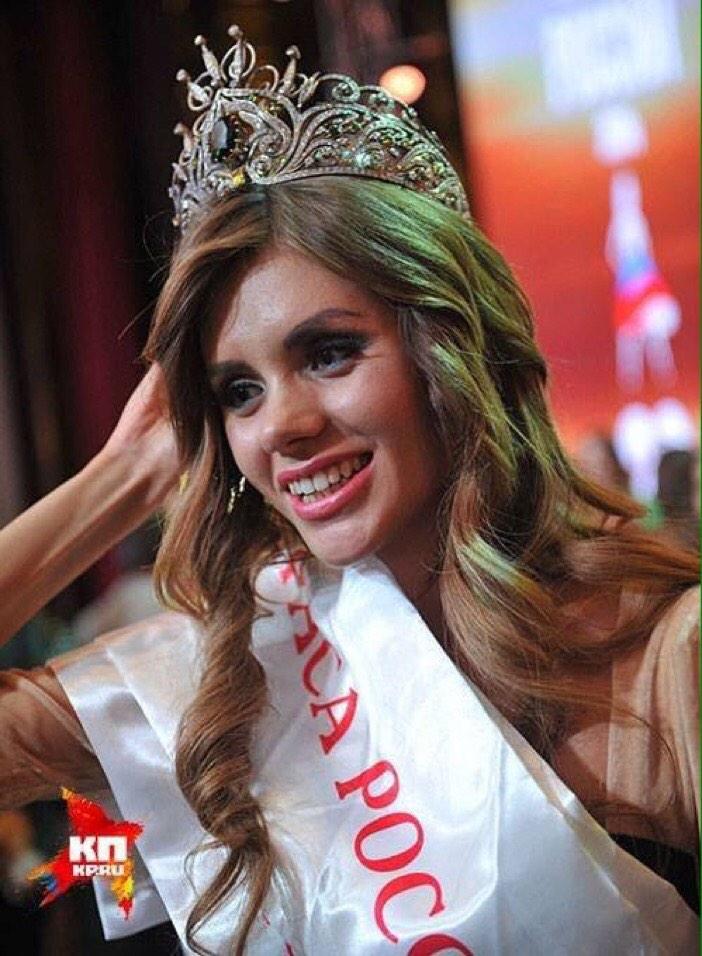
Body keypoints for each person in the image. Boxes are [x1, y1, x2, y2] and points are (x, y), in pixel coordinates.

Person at [0, 26, 698, 955]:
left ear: (451, 349)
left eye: (329, 353)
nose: (280, 426)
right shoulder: (222, 684)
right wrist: (119, 480)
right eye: (237, 391)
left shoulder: (665, 659)